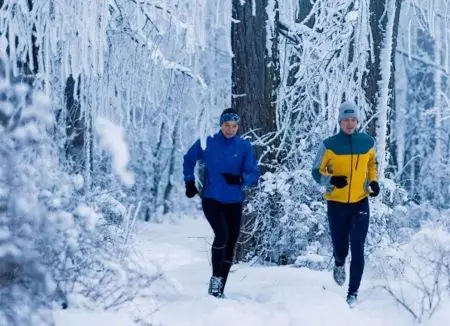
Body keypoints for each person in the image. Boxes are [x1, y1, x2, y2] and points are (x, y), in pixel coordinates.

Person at [183, 108, 259, 298]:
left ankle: (220, 288)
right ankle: (215, 279)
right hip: (212, 199)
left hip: (234, 201)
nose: (230, 129)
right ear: (221, 125)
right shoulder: (208, 142)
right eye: (227, 125)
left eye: (234, 126)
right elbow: (188, 158)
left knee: (231, 243)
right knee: (222, 234)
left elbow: (253, 172)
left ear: (238, 127)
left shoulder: (244, 146)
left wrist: (241, 180)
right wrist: (189, 181)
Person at [311, 102, 380, 307]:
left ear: (357, 121)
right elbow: (316, 172)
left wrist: (374, 181)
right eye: (346, 120)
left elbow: (372, 164)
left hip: (360, 201)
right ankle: (339, 262)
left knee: (358, 247)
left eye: (353, 120)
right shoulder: (329, 144)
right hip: (336, 204)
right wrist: (331, 180)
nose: (349, 124)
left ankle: (352, 294)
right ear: (340, 121)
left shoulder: (367, 142)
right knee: (341, 248)